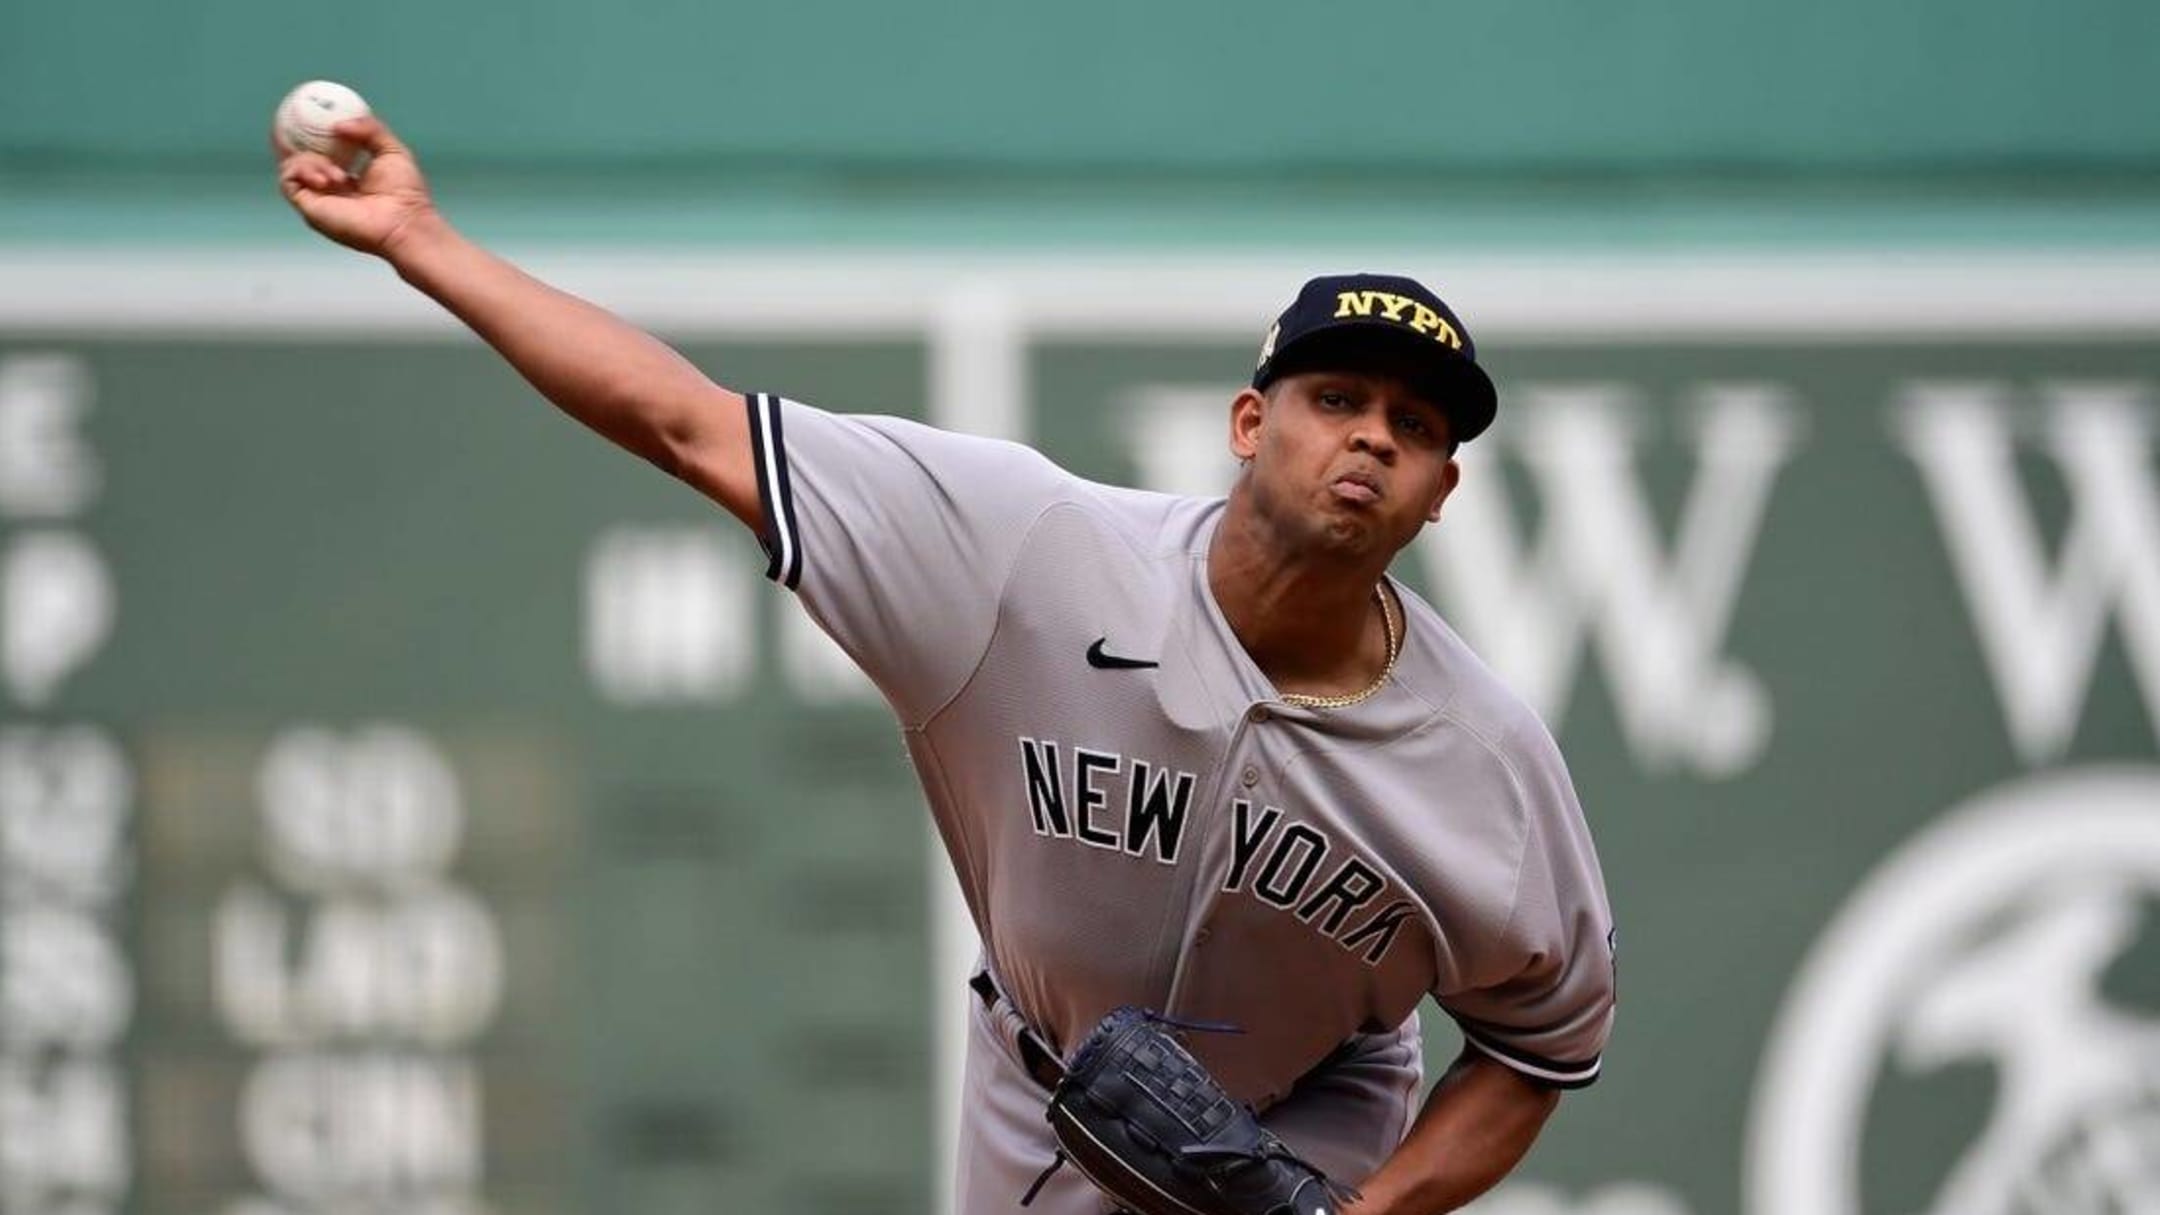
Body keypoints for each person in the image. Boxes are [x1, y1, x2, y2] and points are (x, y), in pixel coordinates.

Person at [277, 117, 1617, 1215]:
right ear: (1250, 422)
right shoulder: (1024, 559)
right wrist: (420, 242)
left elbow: (1541, 1039)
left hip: (1312, 1116)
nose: (1373, 440)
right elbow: (684, 422)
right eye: (1338, 401)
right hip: (1034, 1094)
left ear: (1442, 494)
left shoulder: (1483, 763)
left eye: (1416, 425)